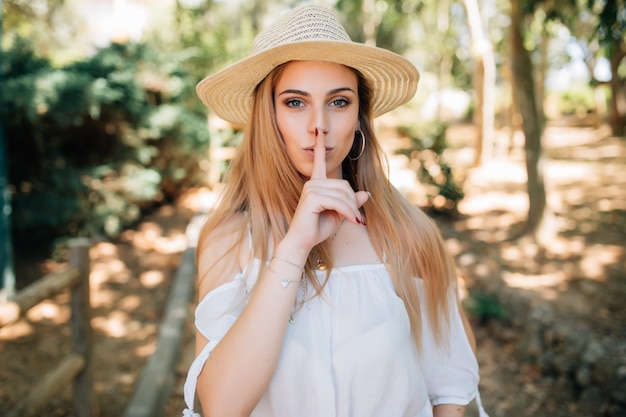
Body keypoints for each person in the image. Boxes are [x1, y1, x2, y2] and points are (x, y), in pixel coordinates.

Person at [182, 4, 488, 417]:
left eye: (339, 102)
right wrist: (294, 249)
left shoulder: (408, 233)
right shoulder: (230, 241)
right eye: (294, 102)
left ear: (360, 117)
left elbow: (448, 388)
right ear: (265, 117)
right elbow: (222, 406)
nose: (318, 125)